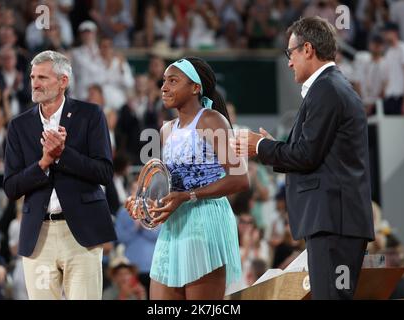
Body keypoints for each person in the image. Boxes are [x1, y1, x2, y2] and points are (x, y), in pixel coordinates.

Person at [232, 17, 375, 299]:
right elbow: (310, 153)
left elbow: (306, 155)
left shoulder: (327, 89)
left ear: (307, 49)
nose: (288, 62)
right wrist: (269, 148)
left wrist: (260, 146)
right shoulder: (333, 87)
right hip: (336, 221)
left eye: (290, 53)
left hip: (334, 222)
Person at [126, 56, 249, 299]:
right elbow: (170, 186)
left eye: (173, 80)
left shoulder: (211, 120)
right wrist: (147, 204)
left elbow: (240, 179)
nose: (164, 87)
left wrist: (189, 196)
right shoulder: (166, 129)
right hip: (175, 224)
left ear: (195, 88)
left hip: (206, 221)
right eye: (163, 81)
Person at [3, 50, 117, 300]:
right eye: (33, 76)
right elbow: (11, 187)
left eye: (42, 77)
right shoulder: (19, 125)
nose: (35, 83)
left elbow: (104, 173)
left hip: (82, 233)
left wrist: (63, 153)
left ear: (63, 81)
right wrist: (44, 162)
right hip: (38, 235)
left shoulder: (91, 115)